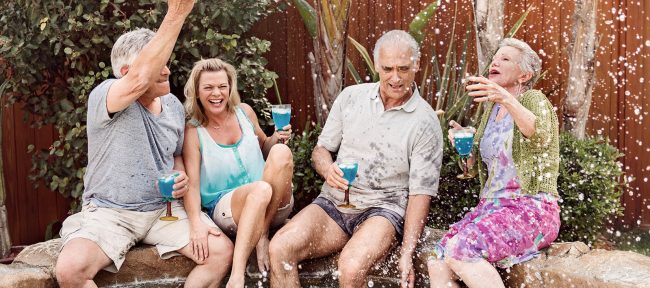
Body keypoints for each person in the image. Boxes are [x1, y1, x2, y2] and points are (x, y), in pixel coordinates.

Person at [55, 2, 233, 287]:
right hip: (111, 214)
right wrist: (177, 13)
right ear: (126, 71)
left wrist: (179, 176)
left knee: (221, 251)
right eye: (157, 64)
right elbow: (139, 80)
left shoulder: (173, 106)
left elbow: (174, 154)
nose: (166, 71)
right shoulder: (106, 96)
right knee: (70, 270)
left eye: (165, 61)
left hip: (164, 212)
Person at [268, 30, 443, 288]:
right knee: (280, 248)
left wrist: (407, 252)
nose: (395, 77)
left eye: (403, 69)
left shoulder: (425, 122)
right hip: (333, 204)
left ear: (416, 65)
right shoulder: (351, 97)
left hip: (383, 210)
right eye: (388, 68)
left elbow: (420, 194)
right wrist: (328, 170)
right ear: (376, 65)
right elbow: (321, 151)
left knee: (351, 267)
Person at [427, 38, 561, 288]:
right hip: (492, 207)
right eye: (495, 57)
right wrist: (465, 149)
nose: (495, 62)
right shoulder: (490, 110)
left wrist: (506, 98)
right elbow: (479, 168)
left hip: (530, 208)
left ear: (524, 75)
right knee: (438, 260)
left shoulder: (534, 99)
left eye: (505, 59)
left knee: (460, 250)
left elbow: (540, 134)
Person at [182, 58, 294, 288]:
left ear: (230, 88)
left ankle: (261, 234)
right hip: (229, 209)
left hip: (272, 205)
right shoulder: (193, 131)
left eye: (222, 86)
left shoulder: (244, 112)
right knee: (260, 189)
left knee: (281, 152)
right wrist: (195, 223)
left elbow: (265, 146)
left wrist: (277, 137)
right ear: (197, 92)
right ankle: (237, 276)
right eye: (208, 87)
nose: (217, 93)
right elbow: (191, 185)